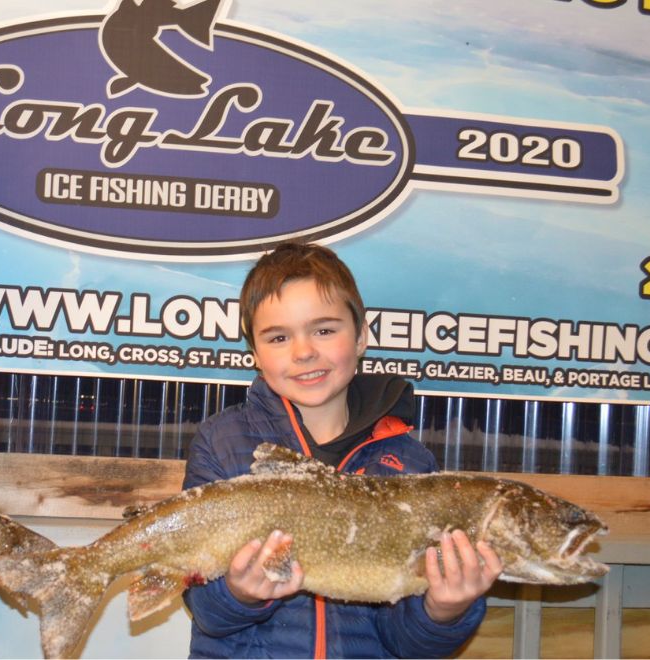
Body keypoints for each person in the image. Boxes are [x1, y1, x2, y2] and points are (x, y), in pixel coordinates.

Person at [181, 242, 501, 658]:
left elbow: (408, 643)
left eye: (324, 330)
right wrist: (239, 594)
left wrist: (445, 608)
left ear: (362, 336)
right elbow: (203, 609)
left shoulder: (412, 465)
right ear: (255, 355)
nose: (303, 351)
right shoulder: (221, 443)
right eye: (279, 337)